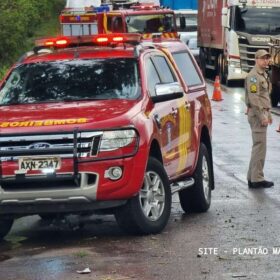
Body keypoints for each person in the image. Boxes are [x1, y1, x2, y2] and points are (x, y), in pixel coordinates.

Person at [245, 49, 274, 188]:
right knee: (260, 147)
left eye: (267, 58)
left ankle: (252, 177)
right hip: (257, 116)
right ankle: (257, 178)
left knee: (258, 147)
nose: (266, 60)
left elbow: (264, 97)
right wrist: (262, 116)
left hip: (261, 114)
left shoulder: (263, 74)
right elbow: (254, 99)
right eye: (263, 58)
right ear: (256, 60)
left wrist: (269, 114)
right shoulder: (253, 77)